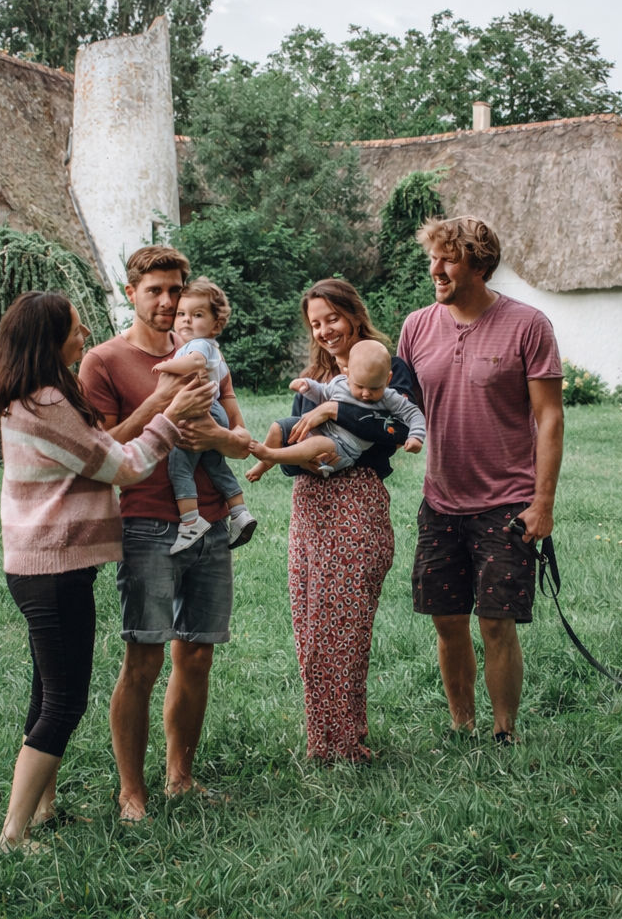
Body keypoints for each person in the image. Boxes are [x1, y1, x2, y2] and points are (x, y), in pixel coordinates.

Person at [0, 290, 212, 853]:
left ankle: (42, 811)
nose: (84, 336)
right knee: (64, 702)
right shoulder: (45, 403)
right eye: (76, 329)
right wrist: (170, 418)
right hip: (53, 568)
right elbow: (121, 466)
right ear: (49, 339)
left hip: (46, 565)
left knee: (46, 692)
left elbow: (99, 446)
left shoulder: (33, 397)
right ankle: (13, 833)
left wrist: (157, 402)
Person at [78, 245, 253, 820]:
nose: (167, 301)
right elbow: (101, 452)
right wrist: (159, 403)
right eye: (154, 290)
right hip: (146, 524)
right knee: (144, 658)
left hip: (210, 521)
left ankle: (181, 776)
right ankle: (132, 792)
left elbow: (240, 437)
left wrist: (220, 439)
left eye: (175, 289)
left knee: (197, 654)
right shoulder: (103, 362)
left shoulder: (202, 351)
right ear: (130, 293)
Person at [397, 216, 564, 744]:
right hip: (440, 500)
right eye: (432, 258)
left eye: (448, 259)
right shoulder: (416, 327)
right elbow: (398, 408)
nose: (436, 269)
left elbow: (550, 417)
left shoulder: (528, 325)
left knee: (496, 622)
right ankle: (461, 723)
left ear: (478, 264)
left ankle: (504, 730)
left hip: (506, 503)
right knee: (447, 621)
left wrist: (543, 503)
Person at [280, 279, 418, 763]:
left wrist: (336, 408)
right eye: (316, 323)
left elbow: (398, 429)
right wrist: (291, 457)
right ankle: (325, 740)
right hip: (309, 502)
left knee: (346, 624)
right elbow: (296, 445)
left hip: (357, 501)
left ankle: (346, 739)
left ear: (354, 315)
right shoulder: (313, 377)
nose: (325, 330)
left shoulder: (388, 367)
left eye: (332, 318)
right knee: (311, 625)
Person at [151, 278, 257, 554]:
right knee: (215, 464)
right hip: (214, 409)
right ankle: (239, 512)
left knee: (179, 464)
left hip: (202, 409)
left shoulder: (198, 346)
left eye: (197, 315)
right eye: (181, 314)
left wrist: (167, 365)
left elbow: (195, 362)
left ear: (216, 324)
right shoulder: (214, 351)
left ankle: (190, 522)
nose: (186, 320)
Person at [246, 339, 424, 479]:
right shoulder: (340, 384)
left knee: (317, 444)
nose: (365, 394)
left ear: (387, 380)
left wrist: (416, 437)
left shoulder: (389, 397)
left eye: (374, 388)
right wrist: (307, 386)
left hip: (343, 448)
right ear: (347, 374)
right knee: (279, 427)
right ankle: (264, 464)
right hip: (324, 431)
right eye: (359, 386)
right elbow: (322, 392)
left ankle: (270, 454)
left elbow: (413, 413)